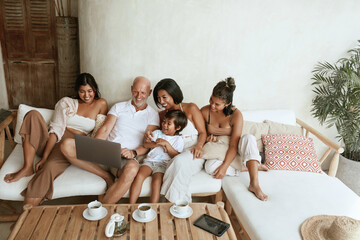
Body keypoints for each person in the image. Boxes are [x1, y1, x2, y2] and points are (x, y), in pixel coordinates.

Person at [4, 73, 108, 206]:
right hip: (52, 139)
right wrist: (45, 156)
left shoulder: (101, 103)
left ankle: (24, 218)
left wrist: (91, 148)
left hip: (70, 145)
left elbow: (102, 129)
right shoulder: (67, 103)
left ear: (95, 90)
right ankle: (27, 167)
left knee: (47, 169)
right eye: (82, 91)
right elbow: (56, 130)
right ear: (77, 91)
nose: (86, 95)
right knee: (32, 115)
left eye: (90, 91)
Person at [61, 76, 160, 204]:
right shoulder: (119, 107)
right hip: (106, 150)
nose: (138, 96)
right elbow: (106, 129)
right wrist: (94, 146)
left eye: (143, 92)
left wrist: (133, 153)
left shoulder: (153, 115)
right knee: (66, 145)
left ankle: (102, 208)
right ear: (131, 89)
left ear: (149, 93)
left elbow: (148, 144)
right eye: (135, 91)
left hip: (125, 157)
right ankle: (105, 175)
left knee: (132, 169)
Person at [201, 77, 268, 201]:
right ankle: (250, 166)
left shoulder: (236, 115)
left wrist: (225, 166)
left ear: (227, 104)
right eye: (211, 100)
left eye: (217, 104)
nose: (212, 105)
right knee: (210, 167)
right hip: (220, 148)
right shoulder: (205, 112)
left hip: (236, 147)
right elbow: (201, 134)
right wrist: (208, 139)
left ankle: (254, 184)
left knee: (249, 138)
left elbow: (233, 145)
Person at [147, 78, 207, 203]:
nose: (161, 101)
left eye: (164, 97)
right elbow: (158, 136)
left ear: (174, 94)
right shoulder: (162, 115)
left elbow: (202, 132)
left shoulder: (191, 108)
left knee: (179, 161)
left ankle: (168, 203)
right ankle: (179, 206)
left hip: (193, 150)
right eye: (158, 98)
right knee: (176, 162)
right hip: (172, 152)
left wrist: (200, 146)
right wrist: (149, 137)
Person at [129, 110, 187, 203]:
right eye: (164, 121)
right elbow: (146, 145)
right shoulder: (157, 133)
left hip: (163, 164)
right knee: (139, 176)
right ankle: (131, 205)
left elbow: (176, 156)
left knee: (156, 182)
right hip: (150, 161)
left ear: (178, 127)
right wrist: (157, 144)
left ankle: (153, 207)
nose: (164, 125)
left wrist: (167, 144)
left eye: (169, 123)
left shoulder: (178, 139)